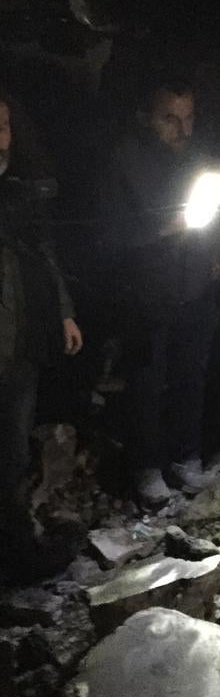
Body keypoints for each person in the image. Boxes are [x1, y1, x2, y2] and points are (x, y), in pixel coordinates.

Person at [103, 75, 220, 505]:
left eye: (188, 117)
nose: (182, 129)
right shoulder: (124, 161)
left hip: (194, 287)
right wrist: (164, 228)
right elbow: (109, 235)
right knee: (147, 385)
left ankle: (185, 457)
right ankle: (147, 468)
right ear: (145, 118)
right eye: (170, 119)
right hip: (145, 296)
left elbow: (215, 212)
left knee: (191, 375)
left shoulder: (199, 159)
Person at [0, 89, 83, 580]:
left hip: (19, 351)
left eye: (3, 125)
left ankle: (16, 555)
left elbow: (45, 260)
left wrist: (65, 314)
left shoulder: (21, 195)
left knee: (11, 458)